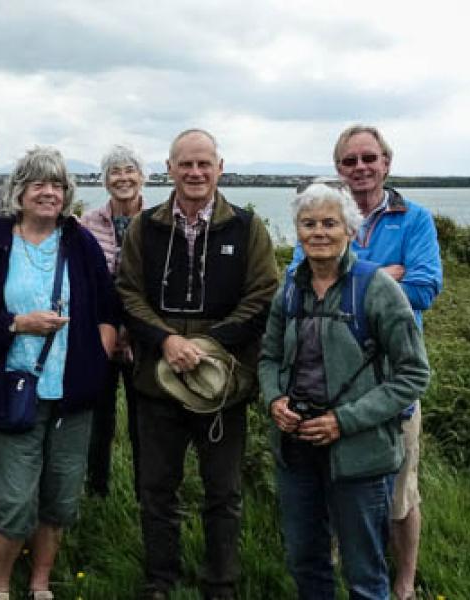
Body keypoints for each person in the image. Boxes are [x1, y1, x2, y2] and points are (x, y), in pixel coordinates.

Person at [116, 129, 279, 600]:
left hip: (222, 383)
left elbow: (261, 294)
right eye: (185, 164)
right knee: (156, 488)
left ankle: (221, 583)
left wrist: (208, 346)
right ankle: (159, 581)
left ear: (219, 167)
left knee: (222, 492)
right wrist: (166, 340)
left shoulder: (248, 228)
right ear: (169, 168)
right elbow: (127, 291)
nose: (195, 173)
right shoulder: (145, 227)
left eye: (204, 164)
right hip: (155, 382)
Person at [0, 147, 118, 600]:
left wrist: (96, 361)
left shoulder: (79, 242)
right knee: (13, 498)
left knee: (60, 495)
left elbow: (107, 308)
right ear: (19, 192)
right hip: (13, 389)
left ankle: (41, 583)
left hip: (71, 395)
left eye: (58, 185)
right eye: (39, 184)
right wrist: (16, 324)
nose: (49, 193)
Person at [260, 180, 430, 599]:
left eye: (330, 223)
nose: (319, 232)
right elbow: (266, 357)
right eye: (309, 223)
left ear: (350, 231)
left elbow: (412, 374)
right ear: (297, 232)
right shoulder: (291, 288)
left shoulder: (378, 290)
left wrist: (343, 420)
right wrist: (273, 399)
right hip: (296, 448)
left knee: (364, 572)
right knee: (305, 560)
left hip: (360, 453)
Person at [332, 125, 442, 600]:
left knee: (401, 491)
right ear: (339, 168)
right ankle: (336, 567)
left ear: (386, 163)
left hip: (395, 375)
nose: (360, 167)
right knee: (332, 475)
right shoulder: (326, 212)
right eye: (350, 160)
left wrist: (349, 272)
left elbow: (424, 287)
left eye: (368, 158)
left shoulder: (414, 219)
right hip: (332, 371)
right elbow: (301, 276)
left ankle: (403, 584)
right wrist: (384, 274)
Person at [79, 144, 146, 497]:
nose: (123, 178)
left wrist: (133, 329)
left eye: (129, 170)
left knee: (143, 421)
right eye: (115, 172)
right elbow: (86, 282)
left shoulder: (157, 220)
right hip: (99, 335)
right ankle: (96, 490)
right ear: (105, 180)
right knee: (98, 418)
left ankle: (144, 490)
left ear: (142, 177)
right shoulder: (88, 223)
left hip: (142, 336)